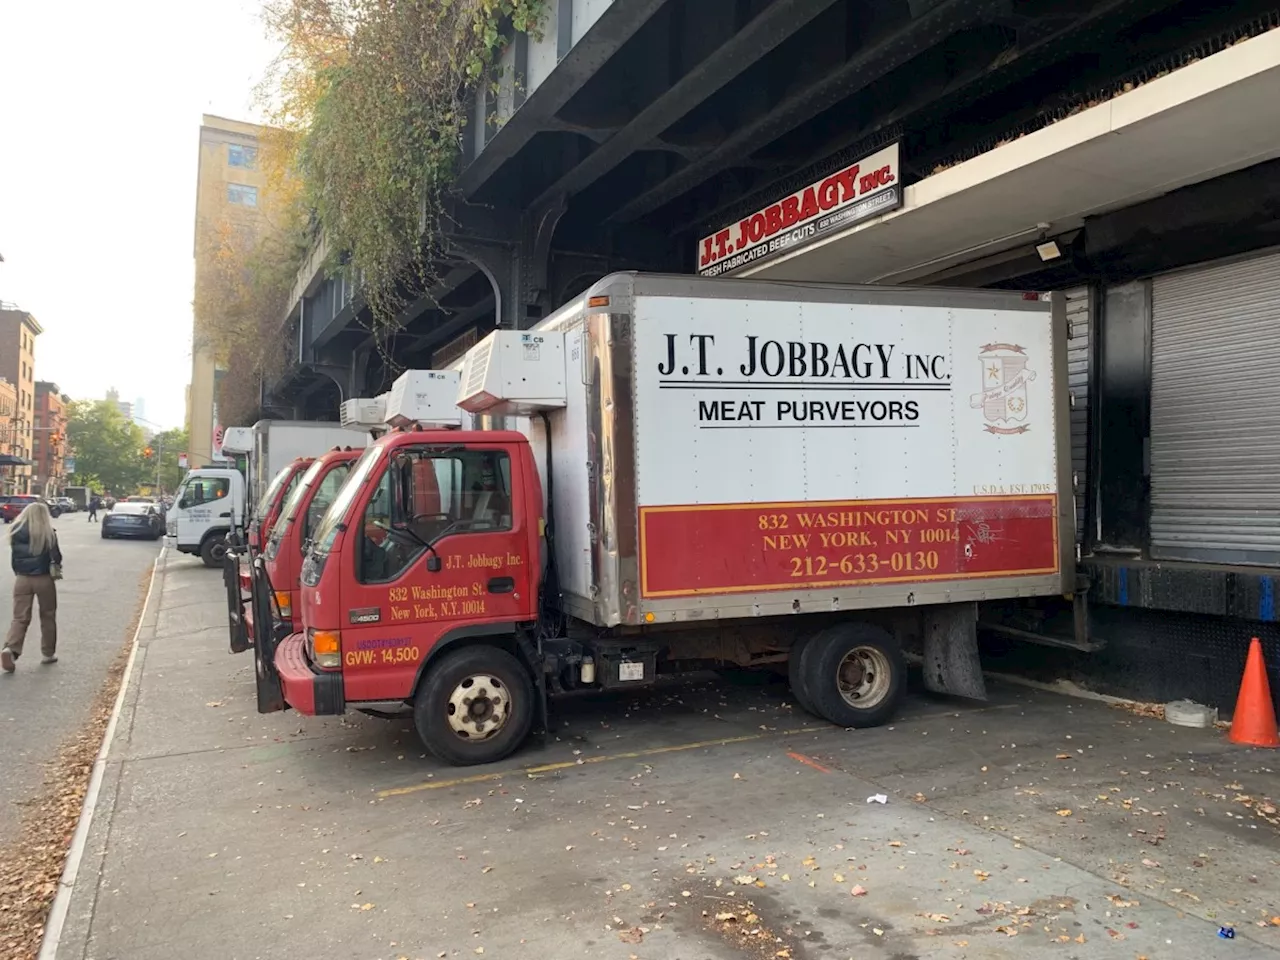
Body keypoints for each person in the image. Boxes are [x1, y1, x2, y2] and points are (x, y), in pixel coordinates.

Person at [1, 501, 63, 672]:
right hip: (43, 578)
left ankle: (10, 649)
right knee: (48, 615)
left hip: (22, 578)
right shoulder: (48, 533)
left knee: (20, 617)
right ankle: (48, 653)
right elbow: (57, 557)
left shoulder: (15, 532)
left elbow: (14, 559)